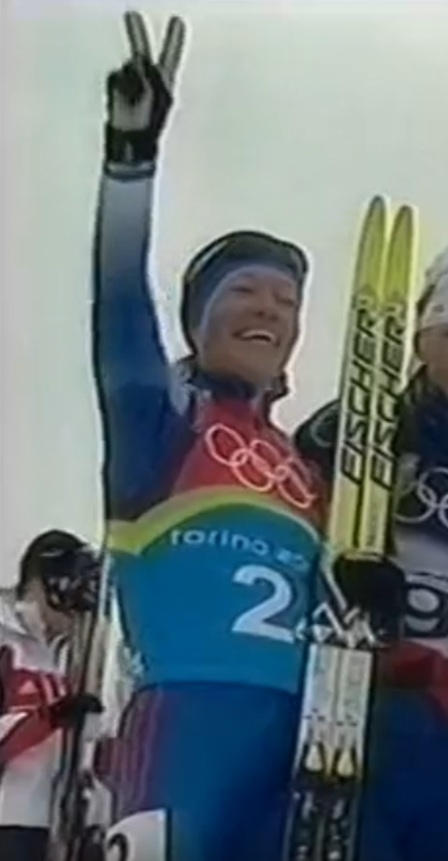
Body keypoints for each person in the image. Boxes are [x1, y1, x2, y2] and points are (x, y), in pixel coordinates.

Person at [92, 19, 324, 861]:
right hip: (186, 722)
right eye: (246, 293)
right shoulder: (159, 419)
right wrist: (129, 161)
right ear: (197, 319)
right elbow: (120, 302)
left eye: (286, 302)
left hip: (304, 733)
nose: (269, 310)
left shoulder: (306, 463)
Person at [294, 234, 448, 861]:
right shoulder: (352, 431)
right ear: (420, 339)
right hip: (368, 711)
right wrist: (340, 577)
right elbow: (285, 548)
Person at [0, 529, 103, 861]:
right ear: (39, 587)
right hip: (9, 819)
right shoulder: (7, 643)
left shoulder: (60, 652)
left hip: (54, 819)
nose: (72, 620)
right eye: (67, 604)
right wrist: (50, 717)